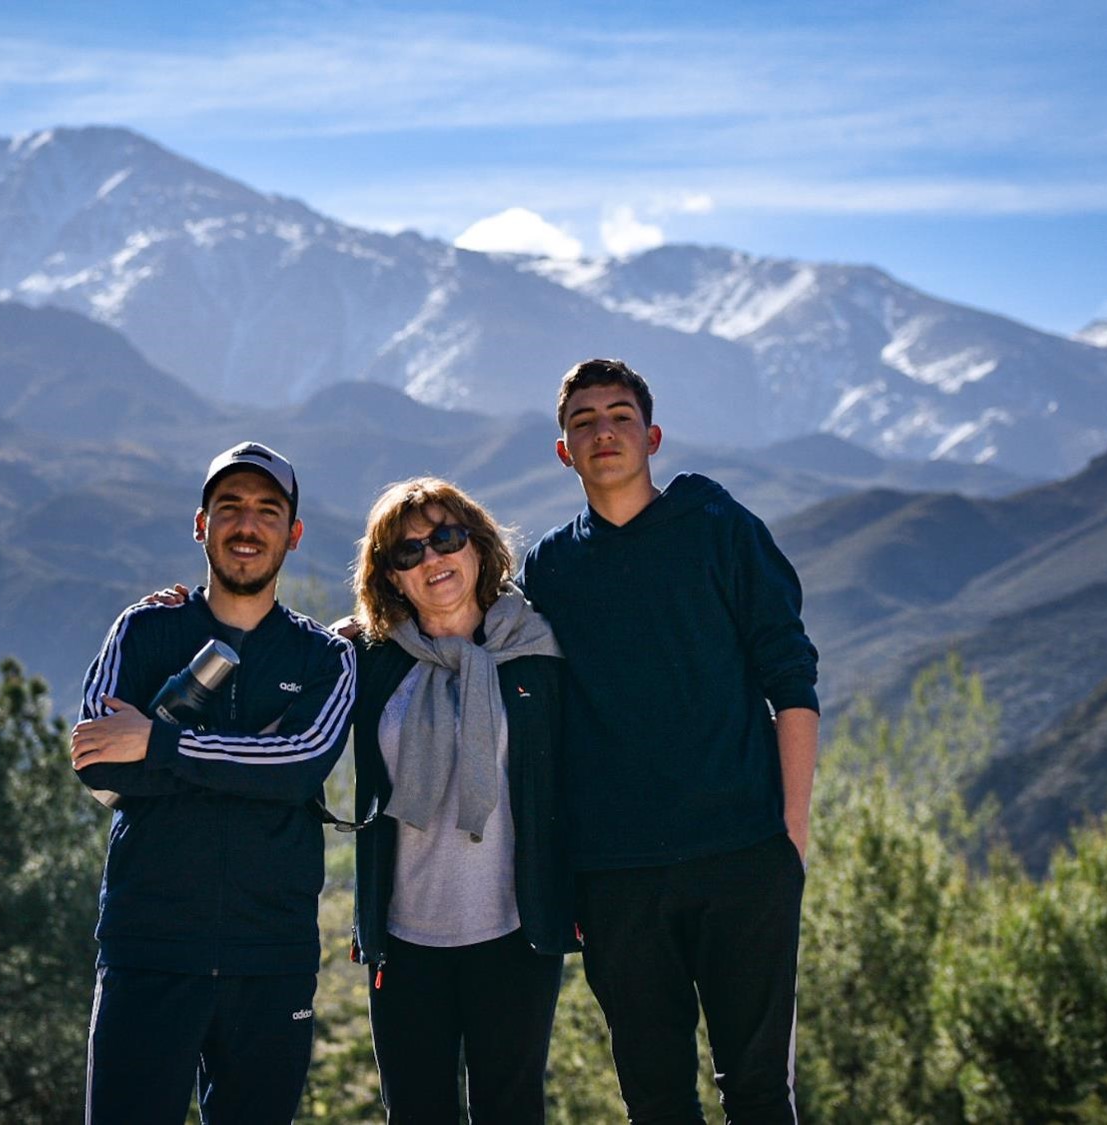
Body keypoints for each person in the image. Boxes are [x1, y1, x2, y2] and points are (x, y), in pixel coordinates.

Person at [517, 359, 820, 1125]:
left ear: (651, 436)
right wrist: (366, 631)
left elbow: (791, 677)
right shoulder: (550, 567)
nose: (603, 431)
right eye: (583, 421)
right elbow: (479, 637)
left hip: (742, 853)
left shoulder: (718, 526)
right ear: (563, 451)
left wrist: (791, 833)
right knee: (654, 1100)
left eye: (620, 415)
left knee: (758, 1092)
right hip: (615, 875)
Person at [69, 441, 356, 1124]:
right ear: (201, 525)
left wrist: (160, 742)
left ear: (293, 533)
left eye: (267, 511)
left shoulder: (325, 657)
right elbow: (99, 761)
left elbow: (301, 767)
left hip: (271, 959)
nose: (246, 525)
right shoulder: (143, 630)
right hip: (149, 952)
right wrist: (249, 761)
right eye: (229, 507)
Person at [347, 477, 577, 1124]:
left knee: (512, 1111)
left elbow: (575, 781)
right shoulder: (371, 660)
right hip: (403, 939)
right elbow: (277, 651)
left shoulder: (536, 651)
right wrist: (184, 610)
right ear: (391, 577)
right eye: (409, 551)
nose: (432, 558)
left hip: (515, 932)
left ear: (477, 545)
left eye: (446, 538)